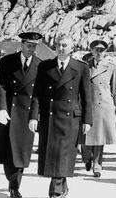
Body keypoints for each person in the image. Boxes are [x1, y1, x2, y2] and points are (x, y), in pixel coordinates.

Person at [28, 35, 92, 198]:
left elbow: (86, 97)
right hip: (49, 116)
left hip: (70, 118)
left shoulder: (81, 67)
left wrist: (88, 120)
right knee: (53, 153)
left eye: (64, 45)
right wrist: (34, 116)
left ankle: (55, 190)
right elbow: (37, 94)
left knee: (63, 153)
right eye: (58, 45)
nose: (60, 48)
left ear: (72, 48)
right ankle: (62, 185)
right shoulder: (45, 66)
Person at [0, 32, 43, 198]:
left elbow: (38, 95)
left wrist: (35, 116)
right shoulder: (7, 61)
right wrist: (1, 109)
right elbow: (1, 86)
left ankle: (14, 185)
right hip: (9, 112)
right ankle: (12, 183)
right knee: (7, 152)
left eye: (34, 46)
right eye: (29, 45)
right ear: (21, 45)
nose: (31, 49)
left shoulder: (40, 65)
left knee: (22, 152)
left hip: (26, 115)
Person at [78, 40, 116, 177]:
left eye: (102, 50)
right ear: (92, 51)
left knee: (100, 138)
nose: (99, 53)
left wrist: (113, 105)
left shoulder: (111, 67)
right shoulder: (84, 66)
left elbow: (115, 89)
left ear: (105, 52)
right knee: (85, 136)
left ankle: (97, 165)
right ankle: (87, 157)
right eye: (96, 50)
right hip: (87, 105)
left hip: (103, 105)